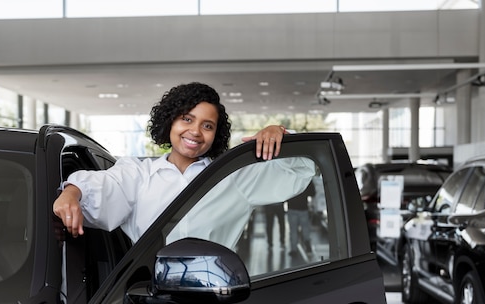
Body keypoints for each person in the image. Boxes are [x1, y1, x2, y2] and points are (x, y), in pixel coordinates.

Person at [53, 82, 289, 243]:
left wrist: (278, 133)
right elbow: (104, 185)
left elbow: (297, 170)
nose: (195, 132)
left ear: (216, 134)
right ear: (170, 122)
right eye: (187, 119)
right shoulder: (139, 174)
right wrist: (73, 192)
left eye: (207, 126)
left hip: (216, 300)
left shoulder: (231, 176)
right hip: (147, 296)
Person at [286, 181, 315, 255]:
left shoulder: (290, 178)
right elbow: (312, 193)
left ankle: (294, 250)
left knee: (293, 230)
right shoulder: (306, 178)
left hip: (292, 208)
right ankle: (308, 248)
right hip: (303, 208)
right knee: (305, 229)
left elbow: (285, 194)